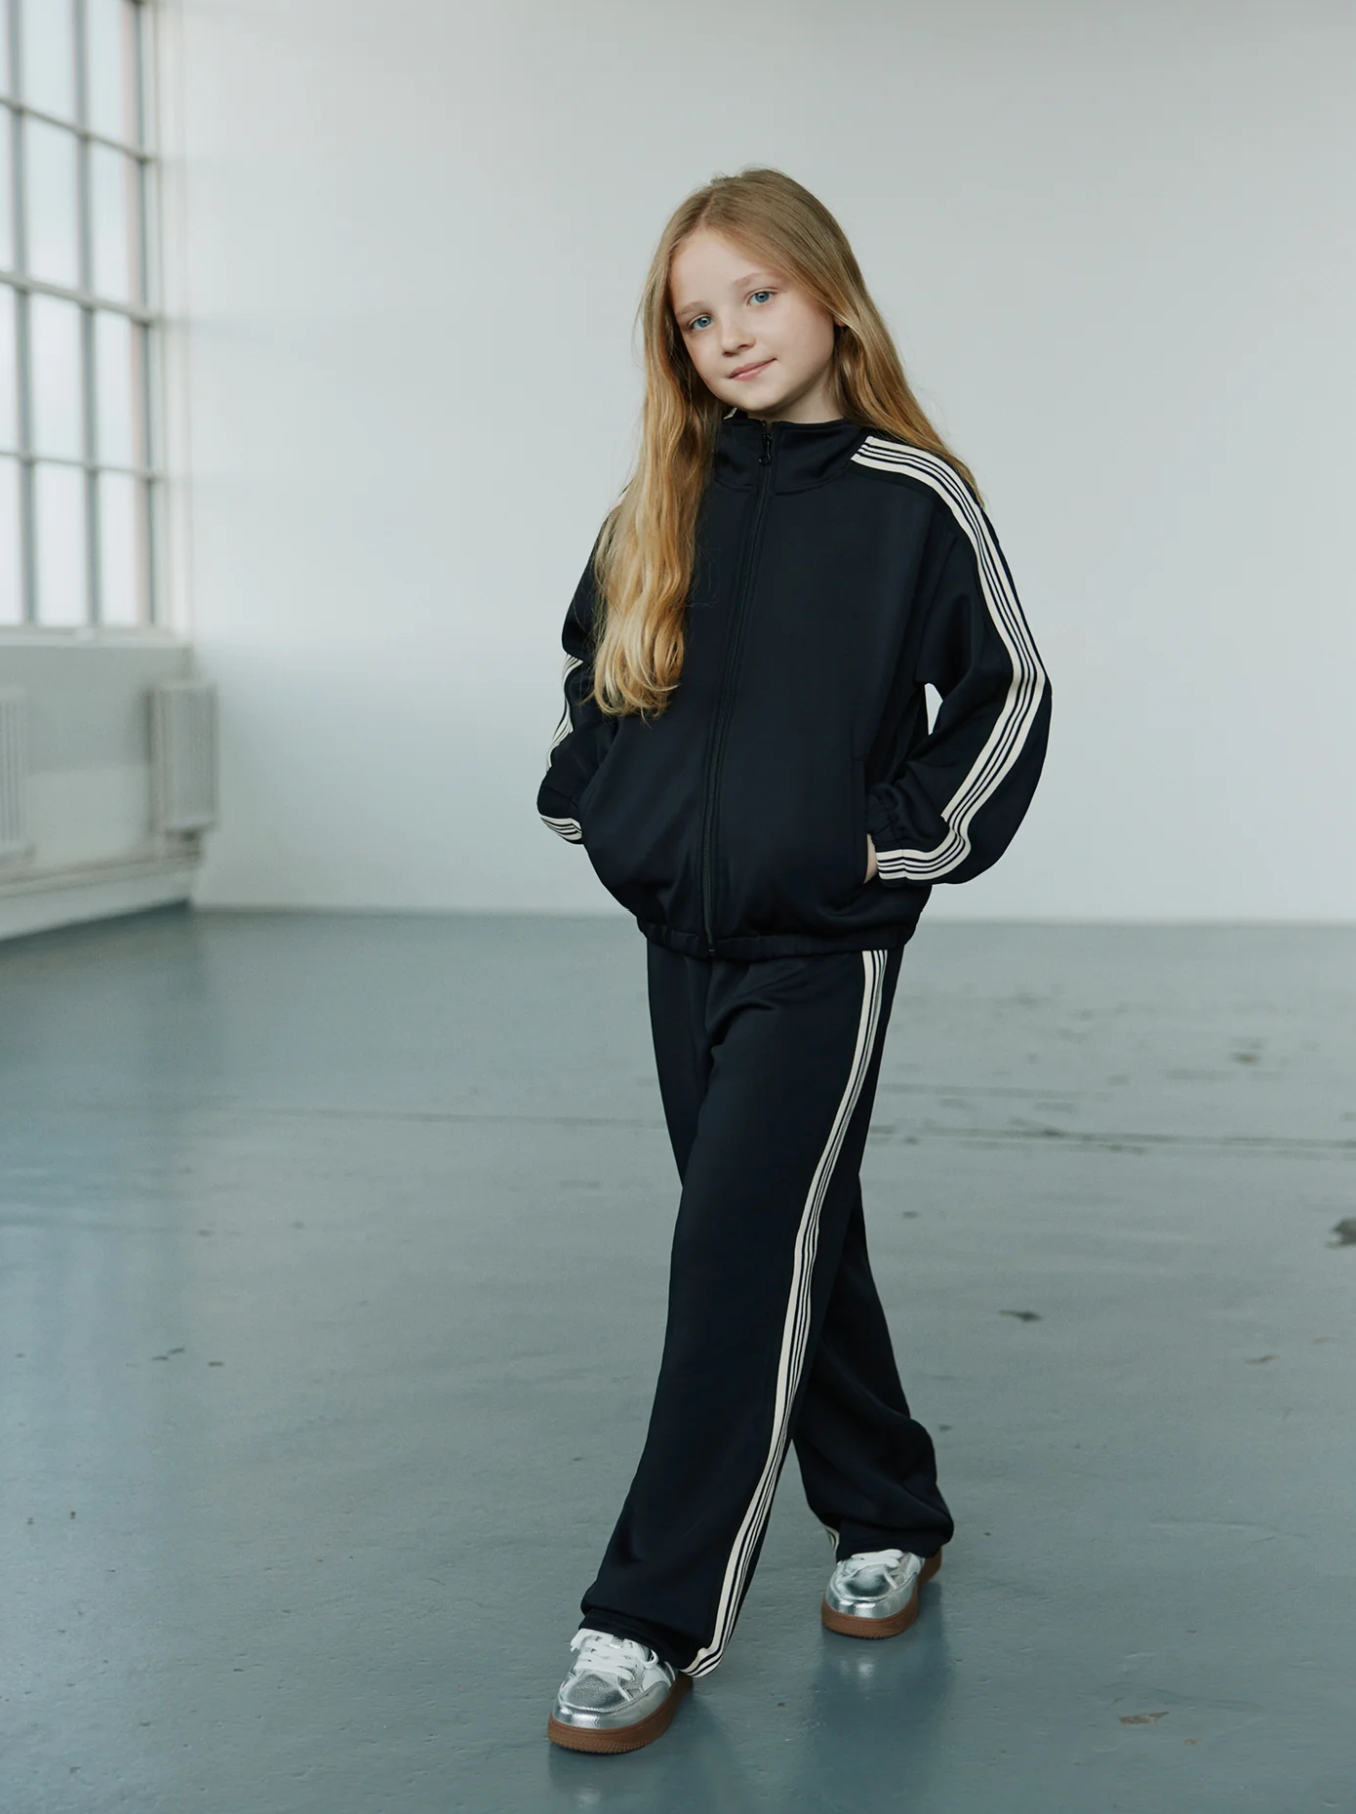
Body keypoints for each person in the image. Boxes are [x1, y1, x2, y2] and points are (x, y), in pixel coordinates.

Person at [535, 165, 1051, 1755]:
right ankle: (889, 1501)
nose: (732, 333)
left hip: (824, 947)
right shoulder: (662, 497)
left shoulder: (913, 497)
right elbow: (594, 672)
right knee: (785, 1228)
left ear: (829, 291)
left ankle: (648, 1614)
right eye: (699, 317)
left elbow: (1010, 694)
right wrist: (599, 806)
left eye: (756, 293)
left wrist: (877, 848)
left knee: (732, 1250)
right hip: (680, 941)